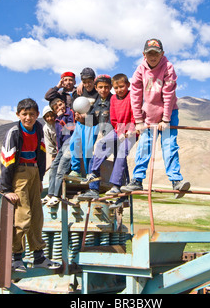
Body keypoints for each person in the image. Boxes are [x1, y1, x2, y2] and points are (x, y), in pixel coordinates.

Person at [120, 39, 190, 198]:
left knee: (169, 145)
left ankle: (176, 181)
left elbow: (169, 93)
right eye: (149, 53)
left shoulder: (168, 67)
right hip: (149, 116)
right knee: (144, 145)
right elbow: (135, 96)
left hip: (169, 113)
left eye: (156, 54)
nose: (153, 57)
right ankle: (137, 180)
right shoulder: (139, 71)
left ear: (162, 54)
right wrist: (138, 120)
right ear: (144, 54)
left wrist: (165, 119)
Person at [0, 98, 60, 272]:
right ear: (18, 114)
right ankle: (16, 257)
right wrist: (6, 189)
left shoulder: (38, 129)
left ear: (37, 115)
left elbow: (41, 154)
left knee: (37, 216)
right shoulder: (14, 132)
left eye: (32, 114)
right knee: (22, 217)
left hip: (33, 173)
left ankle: (39, 256)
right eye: (24, 114)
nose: (28, 118)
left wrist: (40, 179)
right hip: (19, 174)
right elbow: (7, 160)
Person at [78, 74, 136, 200]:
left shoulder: (116, 97)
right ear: (96, 88)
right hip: (115, 132)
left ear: (109, 87)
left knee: (120, 158)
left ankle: (120, 192)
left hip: (126, 131)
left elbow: (135, 113)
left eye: (106, 87)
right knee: (99, 149)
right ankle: (94, 181)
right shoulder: (99, 101)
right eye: (100, 87)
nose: (103, 90)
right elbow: (92, 120)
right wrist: (82, 120)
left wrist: (129, 130)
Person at [43, 98, 75, 207]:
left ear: (64, 103)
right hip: (63, 146)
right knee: (54, 166)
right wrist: (58, 152)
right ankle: (50, 193)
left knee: (62, 165)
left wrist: (61, 117)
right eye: (57, 108)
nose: (60, 108)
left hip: (72, 141)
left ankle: (57, 195)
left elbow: (72, 128)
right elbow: (59, 138)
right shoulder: (57, 121)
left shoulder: (70, 113)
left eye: (60, 104)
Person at [69, 68, 99, 177]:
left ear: (94, 80)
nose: (87, 84)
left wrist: (87, 115)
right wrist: (77, 114)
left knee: (87, 148)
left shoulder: (98, 91)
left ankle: (88, 172)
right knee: (74, 143)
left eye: (89, 82)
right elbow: (74, 103)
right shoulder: (79, 91)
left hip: (92, 122)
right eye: (84, 82)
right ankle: (76, 170)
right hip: (80, 123)